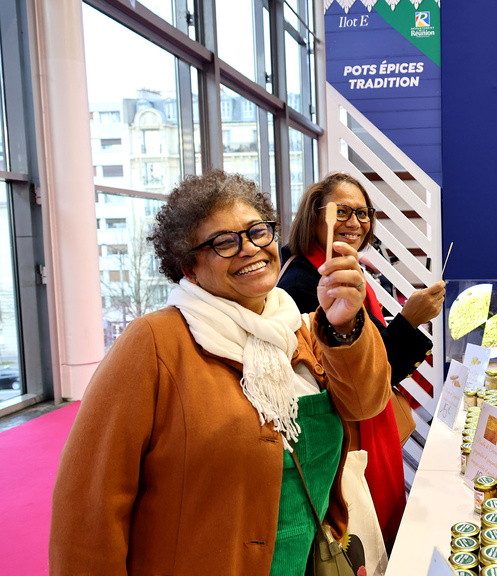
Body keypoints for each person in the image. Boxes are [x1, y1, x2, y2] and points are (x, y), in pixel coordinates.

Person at [49, 170, 391, 576]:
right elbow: (91, 508)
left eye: (258, 232)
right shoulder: (155, 344)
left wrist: (344, 325)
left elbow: (365, 402)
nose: (250, 249)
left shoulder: (300, 328)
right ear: (188, 266)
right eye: (224, 242)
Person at [277, 172, 445, 558]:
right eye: (343, 212)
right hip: (348, 440)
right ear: (314, 217)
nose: (355, 223)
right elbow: (354, 377)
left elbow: (370, 364)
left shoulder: (350, 275)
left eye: (364, 213)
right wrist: (409, 321)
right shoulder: (304, 284)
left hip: (371, 427)